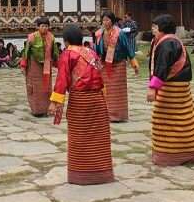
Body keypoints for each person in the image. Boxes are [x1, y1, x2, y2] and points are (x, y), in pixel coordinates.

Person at [148, 14, 194, 166]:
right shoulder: (172, 41)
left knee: (164, 119)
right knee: (185, 116)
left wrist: (153, 88)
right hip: (181, 85)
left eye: (154, 27)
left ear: (162, 28)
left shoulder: (167, 43)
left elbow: (162, 67)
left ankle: (170, 155)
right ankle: (193, 149)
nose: (152, 30)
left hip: (172, 88)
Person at [49, 24, 114, 185]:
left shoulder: (67, 54)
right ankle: (102, 173)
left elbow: (62, 80)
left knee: (80, 137)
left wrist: (55, 102)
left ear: (65, 41)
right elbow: (100, 72)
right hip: (97, 99)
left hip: (80, 101)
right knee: (99, 138)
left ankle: (82, 174)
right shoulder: (91, 52)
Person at [95, 12, 139, 122]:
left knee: (118, 91)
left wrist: (133, 62)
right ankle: (107, 114)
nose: (105, 22)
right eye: (104, 20)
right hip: (105, 65)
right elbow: (96, 50)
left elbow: (128, 47)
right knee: (106, 90)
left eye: (108, 20)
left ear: (112, 21)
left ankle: (119, 115)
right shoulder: (99, 34)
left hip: (118, 64)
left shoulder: (120, 33)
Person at [21, 17, 60, 117]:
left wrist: (58, 63)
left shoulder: (51, 37)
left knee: (46, 88)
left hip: (47, 65)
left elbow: (55, 52)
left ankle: (46, 109)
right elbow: (26, 52)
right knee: (35, 88)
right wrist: (23, 65)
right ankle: (36, 110)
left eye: (46, 26)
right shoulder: (32, 37)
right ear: (37, 27)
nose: (44, 28)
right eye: (42, 26)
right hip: (34, 66)